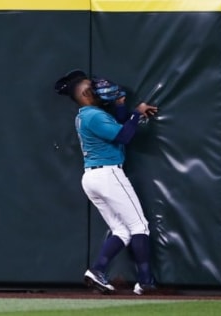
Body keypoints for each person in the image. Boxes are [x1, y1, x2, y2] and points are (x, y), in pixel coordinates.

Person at [54, 70, 158, 295]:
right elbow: (124, 136)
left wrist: (121, 106)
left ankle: (98, 270)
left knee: (121, 230)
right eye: (91, 87)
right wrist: (136, 113)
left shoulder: (89, 114)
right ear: (84, 95)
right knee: (140, 226)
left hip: (93, 177)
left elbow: (118, 127)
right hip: (108, 175)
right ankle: (146, 281)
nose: (97, 88)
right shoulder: (94, 115)